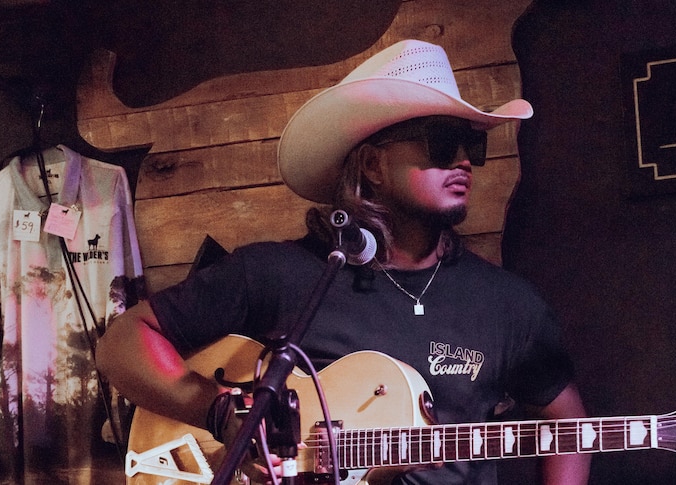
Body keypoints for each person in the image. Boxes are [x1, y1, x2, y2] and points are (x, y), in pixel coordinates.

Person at [97, 39, 591, 484]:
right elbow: (124, 344)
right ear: (374, 165)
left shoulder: (506, 303)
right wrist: (221, 414)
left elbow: (571, 425)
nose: (462, 161)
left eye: (472, 147)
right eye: (442, 144)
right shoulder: (284, 274)